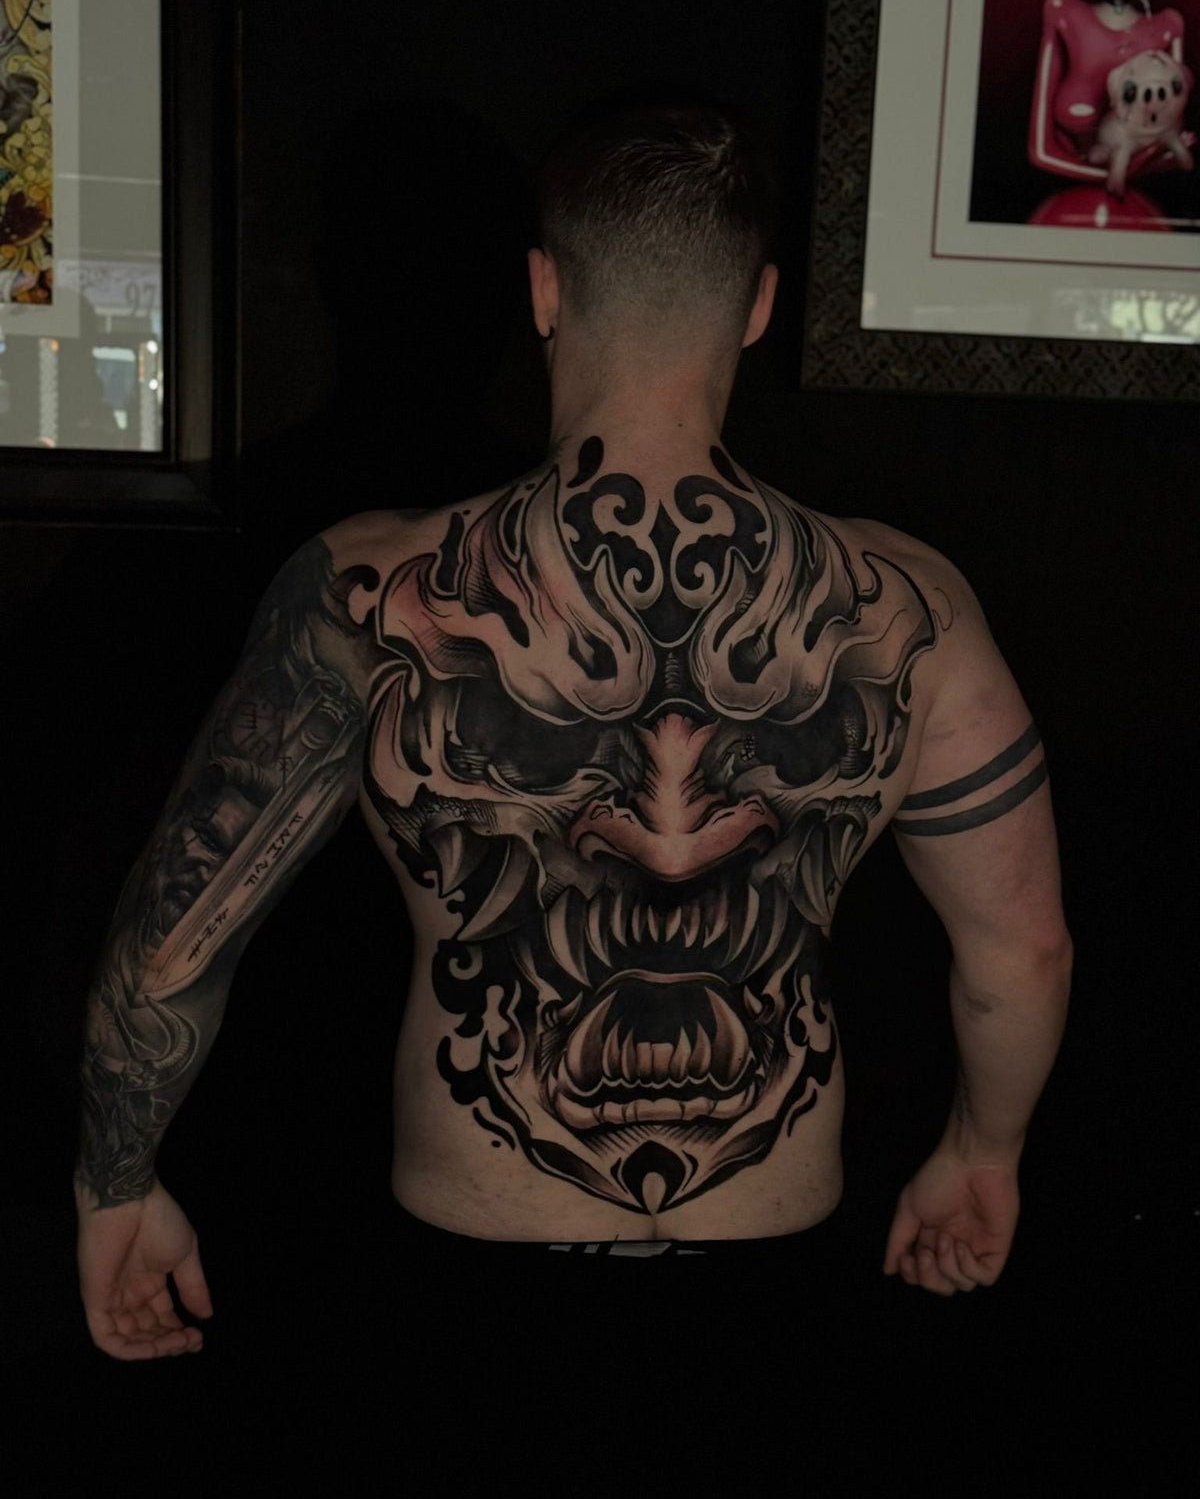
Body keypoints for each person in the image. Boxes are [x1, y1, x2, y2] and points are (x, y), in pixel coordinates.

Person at [74, 82, 1073, 1362]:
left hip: (466, 1276)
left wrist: (116, 1180)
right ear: (759, 306)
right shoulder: (911, 608)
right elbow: (1022, 951)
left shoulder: (371, 593)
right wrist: (983, 1152)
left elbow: (175, 940)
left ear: (544, 290)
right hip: (773, 1270)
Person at [1027, 0, 1194, 224]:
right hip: (1065, 219)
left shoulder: (1167, 27)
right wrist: (1116, 173)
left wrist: (1136, 162)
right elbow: (1040, 149)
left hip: (1137, 218)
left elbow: (1173, 146)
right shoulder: (1064, 13)